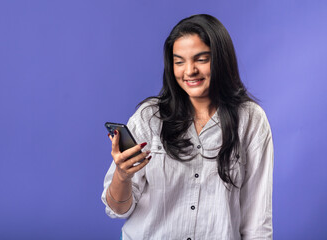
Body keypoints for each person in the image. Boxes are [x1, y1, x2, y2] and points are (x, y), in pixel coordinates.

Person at [101, 14, 273, 240]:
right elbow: (117, 209)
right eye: (179, 61)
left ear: (221, 60)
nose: (189, 71)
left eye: (201, 59)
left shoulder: (251, 120)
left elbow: (257, 222)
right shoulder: (149, 117)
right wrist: (122, 176)